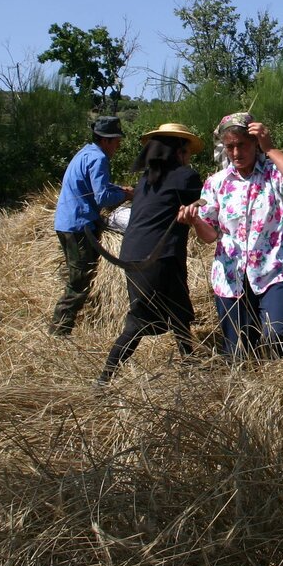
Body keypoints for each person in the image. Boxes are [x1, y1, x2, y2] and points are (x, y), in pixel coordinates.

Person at [178, 113, 283, 360]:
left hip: (274, 269)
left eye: (242, 145)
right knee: (238, 352)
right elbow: (209, 236)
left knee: (277, 337)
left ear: (255, 144)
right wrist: (195, 221)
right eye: (230, 146)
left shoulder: (272, 173)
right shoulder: (216, 183)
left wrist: (270, 148)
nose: (236, 153)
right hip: (231, 275)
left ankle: (281, 386)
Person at [96, 124, 204, 385]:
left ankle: (189, 362)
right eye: (187, 151)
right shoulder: (185, 177)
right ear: (178, 150)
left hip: (136, 253)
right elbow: (208, 203)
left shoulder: (147, 178)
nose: (189, 156)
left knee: (178, 309)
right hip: (159, 256)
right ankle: (104, 379)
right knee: (139, 320)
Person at [50, 116, 133, 336]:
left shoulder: (85, 153)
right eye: (116, 140)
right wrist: (125, 194)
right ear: (106, 140)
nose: (118, 144)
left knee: (78, 275)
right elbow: (102, 197)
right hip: (80, 225)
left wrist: (117, 188)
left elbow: (95, 186)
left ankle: (70, 323)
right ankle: (59, 331)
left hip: (66, 222)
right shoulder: (99, 159)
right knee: (80, 281)